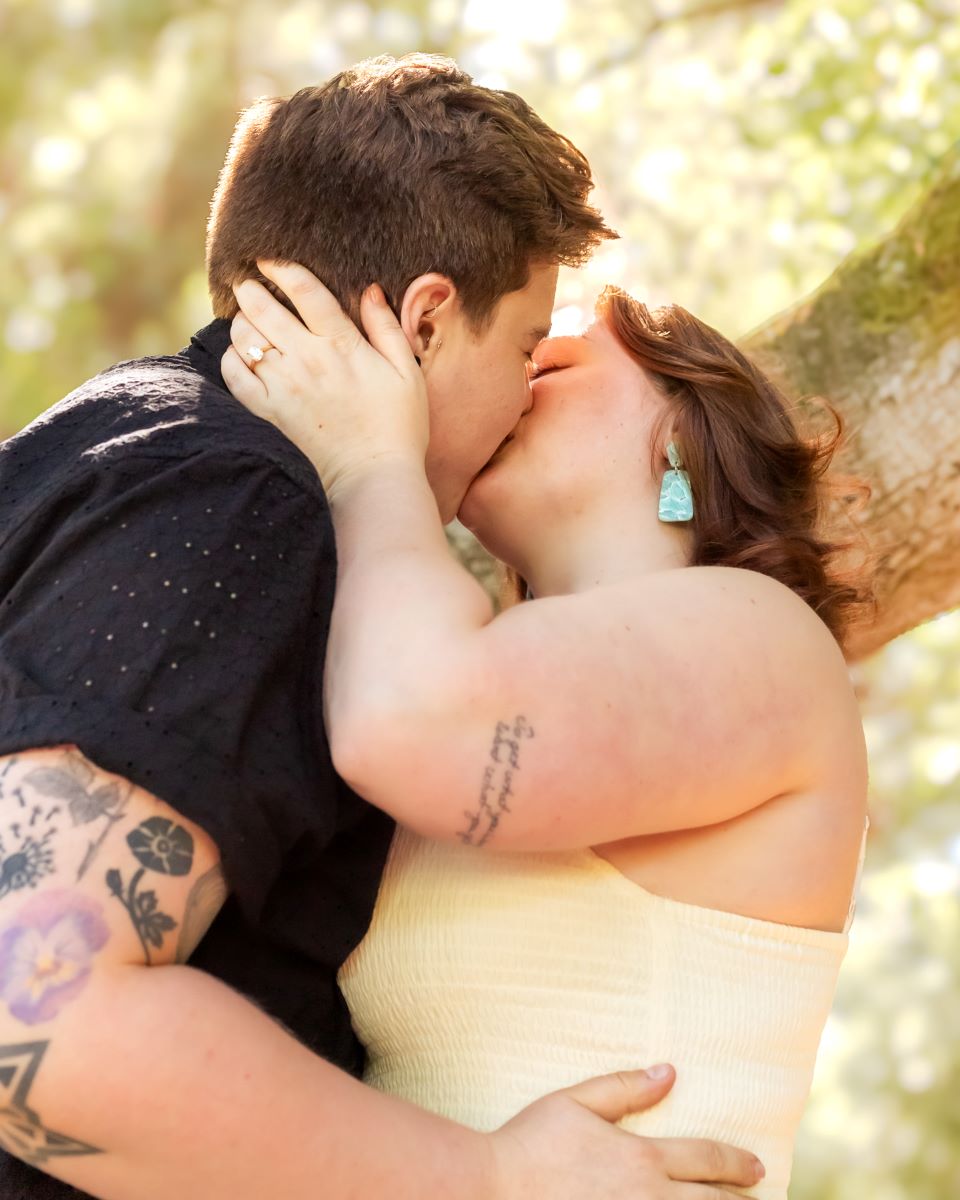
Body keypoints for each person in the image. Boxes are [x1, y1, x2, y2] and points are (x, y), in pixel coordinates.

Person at [0, 54, 763, 1199]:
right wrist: (491, 1180)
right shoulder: (248, 510)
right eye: (524, 350)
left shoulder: (114, 432)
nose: (524, 399)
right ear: (422, 321)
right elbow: (29, 1016)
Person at [222, 260, 874, 1200]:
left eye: (549, 358)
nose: (512, 377)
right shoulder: (482, 661)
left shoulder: (768, 638)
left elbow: (411, 724)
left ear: (685, 433)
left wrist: (370, 463)